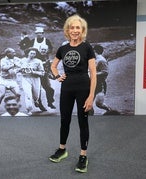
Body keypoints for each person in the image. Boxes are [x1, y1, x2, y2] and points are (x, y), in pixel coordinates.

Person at [49, 14, 97, 173]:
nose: (75, 30)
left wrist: (91, 96)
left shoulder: (87, 47)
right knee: (65, 119)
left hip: (83, 88)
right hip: (67, 89)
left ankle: (83, 155)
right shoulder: (63, 49)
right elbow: (53, 66)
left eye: (78, 27)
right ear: (67, 30)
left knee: (83, 122)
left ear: (82, 30)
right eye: (72, 27)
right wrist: (57, 76)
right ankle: (62, 149)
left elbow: (93, 73)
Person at [30, 26, 55, 110]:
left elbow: (51, 49)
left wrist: (45, 51)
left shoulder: (46, 41)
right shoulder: (33, 41)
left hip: (44, 63)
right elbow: (28, 50)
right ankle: (39, 104)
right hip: (35, 64)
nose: (39, 35)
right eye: (37, 33)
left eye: (40, 33)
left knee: (49, 88)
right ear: (35, 34)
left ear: (43, 33)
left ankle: (50, 102)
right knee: (38, 89)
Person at [0, 48, 22, 116]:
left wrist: (17, 70)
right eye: (13, 52)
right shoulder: (3, 60)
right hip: (4, 80)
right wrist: (14, 65)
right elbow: (4, 68)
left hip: (12, 80)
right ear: (8, 54)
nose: (14, 54)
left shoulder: (16, 59)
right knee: (2, 94)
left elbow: (21, 65)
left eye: (14, 52)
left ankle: (14, 108)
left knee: (18, 94)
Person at [20, 47, 45, 115]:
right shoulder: (22, 60)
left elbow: (42, 73)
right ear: (27, 53)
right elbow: (17, 69)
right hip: (26, 79)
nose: (33, 55)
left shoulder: (38, 61)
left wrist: (34, 72)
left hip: (35, 79)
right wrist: (20, 70)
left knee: (36, 95)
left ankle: (36, 101)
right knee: (28, 94)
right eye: (31, 53)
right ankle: (29, 109)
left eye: (34, 54)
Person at [93, 44, 111, 113]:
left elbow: (105, 72)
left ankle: (110, 111)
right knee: (88, 104)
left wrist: (94, 74)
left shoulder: (101, 60)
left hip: (100, 84)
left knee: (99, 104)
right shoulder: (94, 60)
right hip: (92, 84)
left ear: (94, 51)